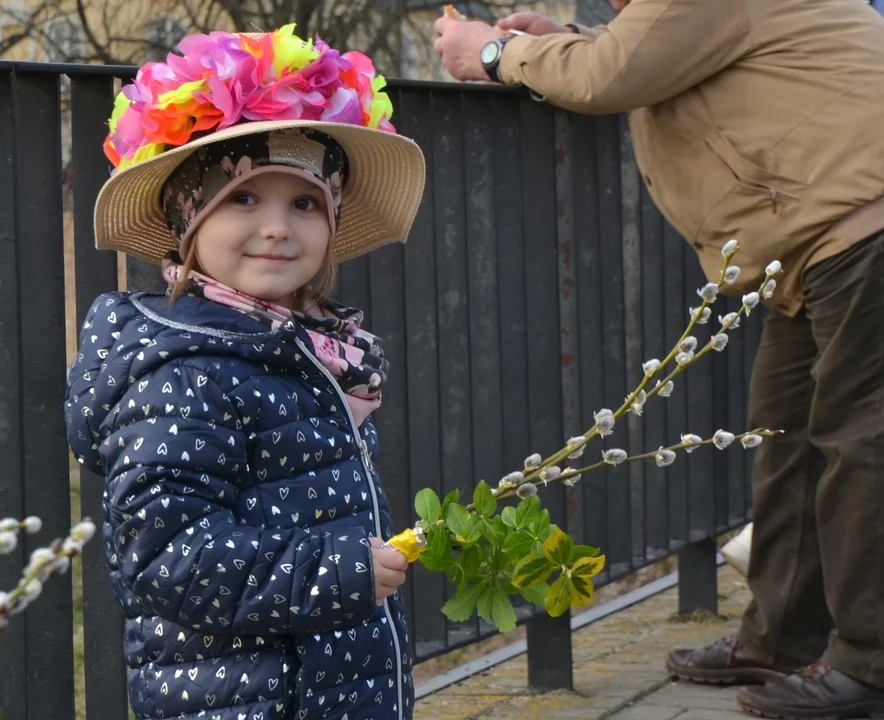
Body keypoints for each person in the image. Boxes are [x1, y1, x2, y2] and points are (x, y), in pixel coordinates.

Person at [434, 1, 884, 718]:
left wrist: (492, 54)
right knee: (786, 439)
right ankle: (781, 638)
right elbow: (639, 54)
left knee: (861, 448)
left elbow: (611, 74)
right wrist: (566, 44)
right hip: (821, 247)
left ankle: (869, 666)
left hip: (860, 234)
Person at [64, 26, 426, 720]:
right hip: (239, 700)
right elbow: (166, 556)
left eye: (304, 203)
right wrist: (340, 572)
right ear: (185, 220)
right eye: (242, 199)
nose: (276, 229)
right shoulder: (184, 374)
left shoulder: (308, 350)